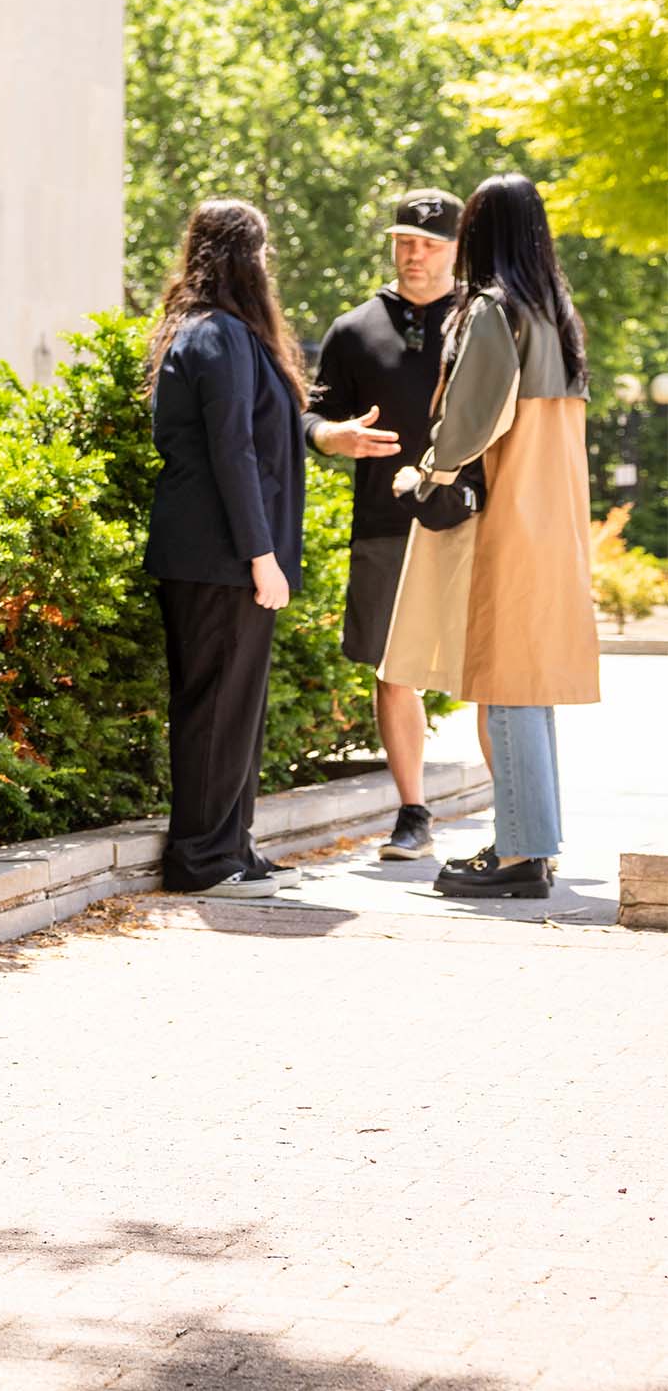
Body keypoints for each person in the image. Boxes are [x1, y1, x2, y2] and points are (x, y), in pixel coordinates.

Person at [380, 173, 601, 899]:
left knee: (506, 678)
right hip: (553, 515)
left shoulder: (493, 310)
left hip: (508, 512)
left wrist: (426, 472)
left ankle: (517, 852)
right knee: (527, 680)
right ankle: (534, 843)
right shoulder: (555, 310)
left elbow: (472, 418)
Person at [303, 189, 485, 861]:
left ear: (457, 249)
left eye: (430, 243)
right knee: (391, 669)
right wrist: (331, 437)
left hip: (470, 521)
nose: (414, 254)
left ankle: (514, 823)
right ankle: (412, 812)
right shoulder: (354, 330)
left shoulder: (483, 322)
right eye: (404, 241)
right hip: (384, 523)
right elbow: (310, 416)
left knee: (487, 671)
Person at [142, 200, 308, 899]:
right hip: (220, 559)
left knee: (235, 704)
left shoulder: (217, 333)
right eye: (263, 253)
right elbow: (232, 451)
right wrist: (261, 554)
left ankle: (231, 845)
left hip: (218, 556)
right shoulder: (219, 336)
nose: (268, 267)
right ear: (247, 258)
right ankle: (203, 858)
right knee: (215, 706)